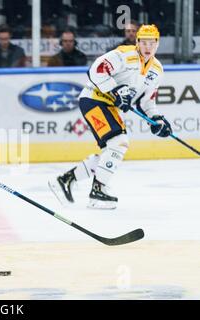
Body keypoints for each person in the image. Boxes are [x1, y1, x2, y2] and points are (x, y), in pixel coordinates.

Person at [48, 24, 171, 210]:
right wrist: (116, 91)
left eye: (151, 43)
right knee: (119, 142)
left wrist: (158, 120)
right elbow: (95, 70)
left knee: (112, 150)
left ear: (157, 44)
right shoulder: (124, 54)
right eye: (143, 42)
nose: (147, 47)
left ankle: (65, 180)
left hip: (109, 107)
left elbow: (146, 103)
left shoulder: (157, 70)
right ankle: (98, 191)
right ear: (137, 42)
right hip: (93, 99)